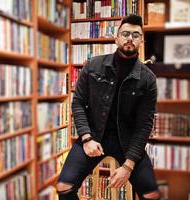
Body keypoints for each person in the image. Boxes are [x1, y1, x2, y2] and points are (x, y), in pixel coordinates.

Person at [56, 14, 160, 200]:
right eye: (125, 33)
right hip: (94, 135)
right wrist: (86, 138)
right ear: (116, 37)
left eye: (135, 35)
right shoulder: (93, 66)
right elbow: (78, 102)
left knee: (151, 194)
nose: (130, 38)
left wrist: (128, 166)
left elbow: (144, 126)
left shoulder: (148, 79)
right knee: (64, 187)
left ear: (141, 40)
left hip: (128, 142)